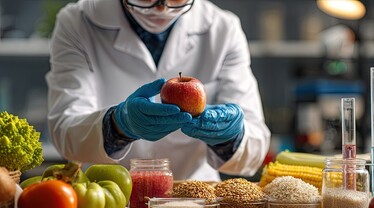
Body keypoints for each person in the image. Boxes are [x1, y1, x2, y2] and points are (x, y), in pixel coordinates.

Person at [46, 0, 271, 181]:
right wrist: (117, 125)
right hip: (109, 198)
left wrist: (230, 136)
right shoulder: (77, 21)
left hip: (194, 200)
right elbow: (65, 132)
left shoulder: (223, 29)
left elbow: (256, 146)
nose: (162, 7)